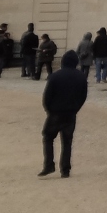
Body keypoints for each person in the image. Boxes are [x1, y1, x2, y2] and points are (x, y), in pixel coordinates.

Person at [40, 49, 88, 178]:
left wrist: (49, 110)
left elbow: (47, 96)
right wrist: (76, 108)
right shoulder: (81, 76)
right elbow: (83, 96)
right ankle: (65, 169)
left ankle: (49, 165)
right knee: (67, 141)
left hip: (55, 112)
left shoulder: (55, 76)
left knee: (48, 137)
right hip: (71, 113)